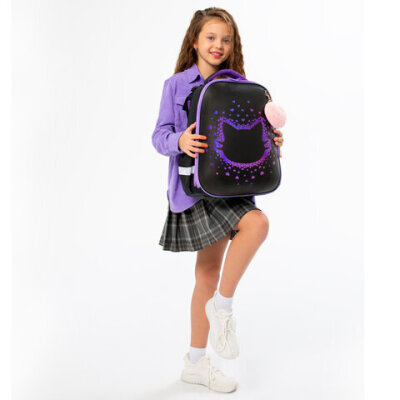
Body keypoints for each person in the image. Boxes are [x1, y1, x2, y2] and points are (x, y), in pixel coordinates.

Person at [151, 7, 284, 393]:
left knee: (257, 223)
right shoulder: (176, 85)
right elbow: (159, 135)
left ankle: (222, 306)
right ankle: (195, 363)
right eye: (210, 37)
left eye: (226, 39)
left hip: (231, 186)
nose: (218, 45)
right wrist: (179, 140)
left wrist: (272, 141)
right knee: (206, 275)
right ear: (195, 41)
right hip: (194, 188)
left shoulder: (241, 86)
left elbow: (250, 136)